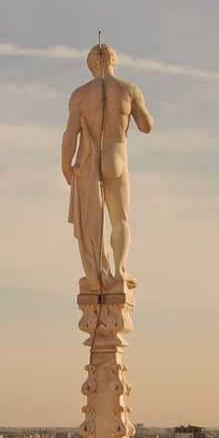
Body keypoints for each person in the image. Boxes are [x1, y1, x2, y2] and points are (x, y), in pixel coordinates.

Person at [61, 43, 153, 290]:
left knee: (92, 222)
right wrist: (134, 107)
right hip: (116, 155)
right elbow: (146, 125)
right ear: (113, 61)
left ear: (91, 65)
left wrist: (65, 166)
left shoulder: (80, 95)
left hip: (89, 162)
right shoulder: (128, 89)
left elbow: (70, 134)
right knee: (119, 219)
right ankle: (120, 270)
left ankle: (97, 273)